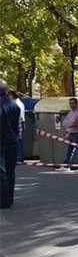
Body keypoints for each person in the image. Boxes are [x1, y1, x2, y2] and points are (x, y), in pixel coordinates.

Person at [0, 80, 20, 209]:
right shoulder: (14, 105)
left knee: (1, 171)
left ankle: (3, 199)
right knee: (10, 171)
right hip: (12, 141)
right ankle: (9, 197)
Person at [60, 97, 78, 169]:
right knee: (69, 149)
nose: (71, 105)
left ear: (76, 104)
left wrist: (69, 123)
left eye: (72, 103)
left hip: (77, 133)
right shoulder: (71, 112)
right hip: (70, 133)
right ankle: (66, 164)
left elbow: (72, 123)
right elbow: (65, 122)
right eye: (70, 103)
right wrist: (69, 123)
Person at [9, 91, 25, 163]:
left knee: (17, 140)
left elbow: (18, 115)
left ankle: (18, 158)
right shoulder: (18, 103)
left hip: (18, 122)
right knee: (18, 139)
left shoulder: (16, 104)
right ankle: (18, 157)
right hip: (19, 122)